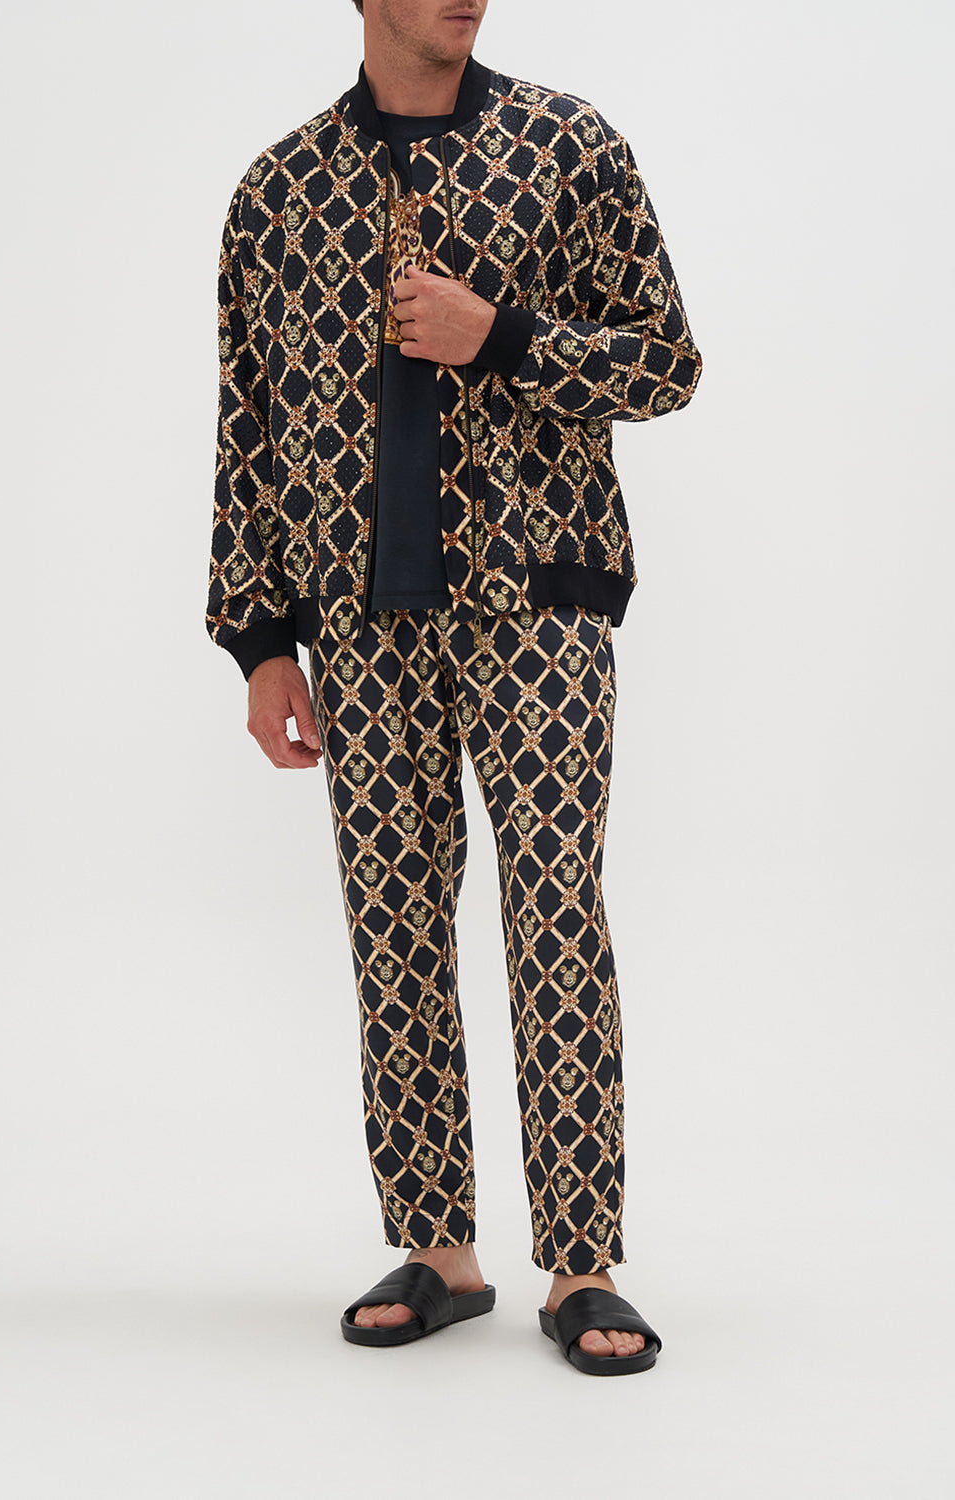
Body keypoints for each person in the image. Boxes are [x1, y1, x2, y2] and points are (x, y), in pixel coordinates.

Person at [206, 0, 701, 1375]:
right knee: (394, 924)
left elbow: (668, 361)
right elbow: (247, 425)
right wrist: (260, 638)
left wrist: (506, 338)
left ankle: (583, 1263)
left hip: (538, 596)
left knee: (554, 910)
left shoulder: (568, 145)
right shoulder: (277, 194)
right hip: (360, 617)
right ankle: (439, 1248)